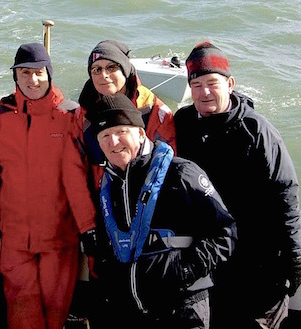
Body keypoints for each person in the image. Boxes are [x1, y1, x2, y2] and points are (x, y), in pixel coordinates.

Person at [174, 41, 301, 329]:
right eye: (196, 85)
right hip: (211, 256)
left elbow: (286, 195)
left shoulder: (257, 130)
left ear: (230, 83)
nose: (204, 92)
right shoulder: (183, 122)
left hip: (259, 260)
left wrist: (295, 258)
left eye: (212, 83)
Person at [86, 93, 237, 328]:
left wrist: (186, 270)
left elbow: (225, 232)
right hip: (131, 308)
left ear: (140, 132)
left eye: (121, 132)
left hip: (182, 306)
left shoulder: (182, 173)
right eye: (105, 135)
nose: (113, 142)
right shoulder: (109, 184)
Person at [0, 43, 97, 329]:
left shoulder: (70, 115)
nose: (32, 80)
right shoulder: (0, 119)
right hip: (14, 235)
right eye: (24, 73)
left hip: (59, 235)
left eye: (38, 72)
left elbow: (80, 178)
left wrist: (88, 227)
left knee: (56, 308)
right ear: (15, 77)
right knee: (21, 308)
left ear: (49, 74)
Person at [78, 39, 176, 172]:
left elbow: (168, 161)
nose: (104, 75)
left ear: (125, 70)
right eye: (96, 69)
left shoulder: (153, 110)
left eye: (111, 67)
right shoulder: (83, 112)